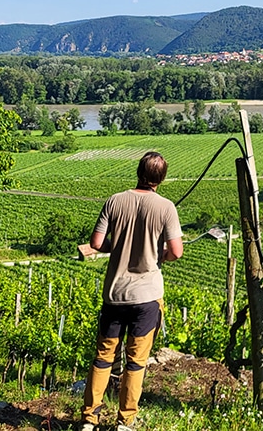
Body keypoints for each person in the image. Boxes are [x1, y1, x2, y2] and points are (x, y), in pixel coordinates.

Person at [81, 151, 183, 431]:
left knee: (104, 357)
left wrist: (122, 244)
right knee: (136, 362)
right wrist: (159, 254)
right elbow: (176, 252)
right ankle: (125, 422)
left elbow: (97, 242)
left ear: (138, 172)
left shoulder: (114, 201)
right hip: (147, 298)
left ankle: (89, 419)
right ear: (161, 178)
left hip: (115, 294)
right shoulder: (166, 208)